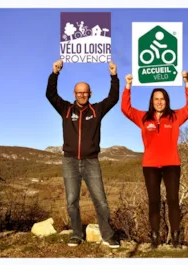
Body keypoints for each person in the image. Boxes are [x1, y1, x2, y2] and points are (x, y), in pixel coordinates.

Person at [46, 59, 120, 248]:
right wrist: (55, 73)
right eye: (79, 92)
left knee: (101, 200)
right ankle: (76, 235)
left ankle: (107, 235)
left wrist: (114, 76)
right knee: (72, 201)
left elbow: (113, 99)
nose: (82, 95)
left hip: (91, 161)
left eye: (85, 92)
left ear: (89, 93)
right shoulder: (66, 109)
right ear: (74, 94)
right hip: (69, 161)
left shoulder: (96, 110)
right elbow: (51, 94)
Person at [121, 72, 188, 249]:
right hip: (150, 165)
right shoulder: (144, 118)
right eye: (156, 99)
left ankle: (176, 238)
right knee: (154, 200)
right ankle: (154, 238)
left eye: (162, 98)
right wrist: (128, 86)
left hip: (172, 164)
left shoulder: (175, 117)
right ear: (152, 101)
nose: (159, 101)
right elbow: (126, 108)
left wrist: (186, 83)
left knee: (172, 200)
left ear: (166, 100)